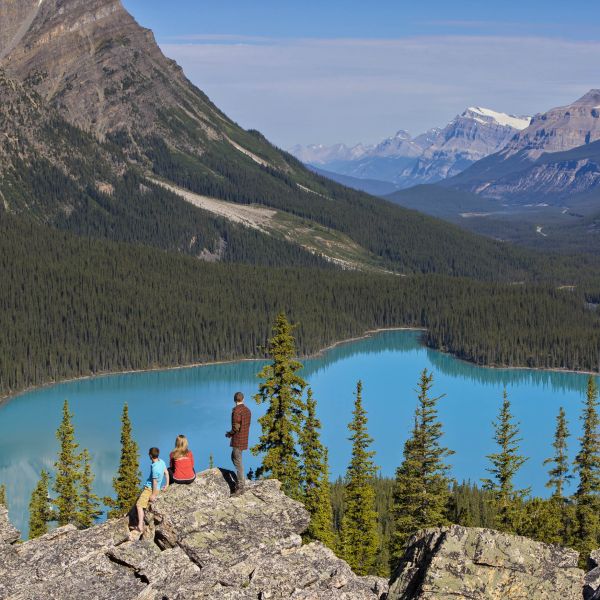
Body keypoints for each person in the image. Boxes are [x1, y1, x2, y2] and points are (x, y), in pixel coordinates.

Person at [135, 447, 169, 534]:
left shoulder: (154, 468)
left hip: (150, 489)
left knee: (139, 505)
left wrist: (153, 495)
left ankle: (140, 526)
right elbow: (166, 473)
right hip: (156, 488)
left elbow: (154, 482)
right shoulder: (161, 462)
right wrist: (167, 484)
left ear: (150, 455)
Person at [225, 391, 251, 496]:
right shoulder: (247, 410)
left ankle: (240, 486)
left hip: (238, 440)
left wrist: (229, 434)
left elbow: (236, 427)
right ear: (243, 399)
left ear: (235, 400)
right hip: (244, 439)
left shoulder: (236, 411)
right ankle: (241, 482)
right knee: (235, 458)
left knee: (238, 462)